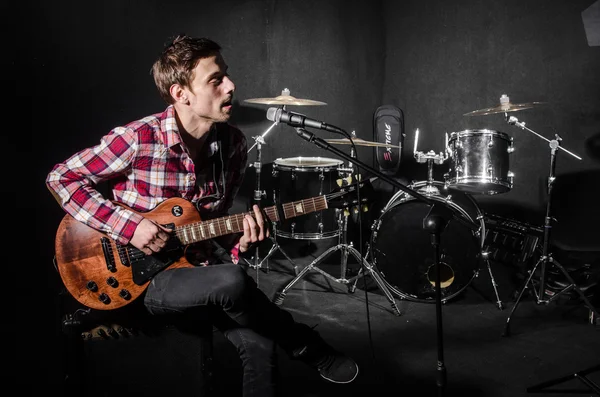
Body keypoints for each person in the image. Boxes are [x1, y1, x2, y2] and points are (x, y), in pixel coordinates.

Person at [46, 34, 359, 396]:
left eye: (226, 75)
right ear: (182, 94)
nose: (231, 86)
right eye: (216, 80)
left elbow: (212, 228)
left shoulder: (233, 146)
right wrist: (130, 227)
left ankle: (299, 346)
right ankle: (307, 345)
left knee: (259, 342)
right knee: (234, 282)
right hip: (138, 280)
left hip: (197, 272)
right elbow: (61, 178)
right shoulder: (138, 139)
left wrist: (241, 238)